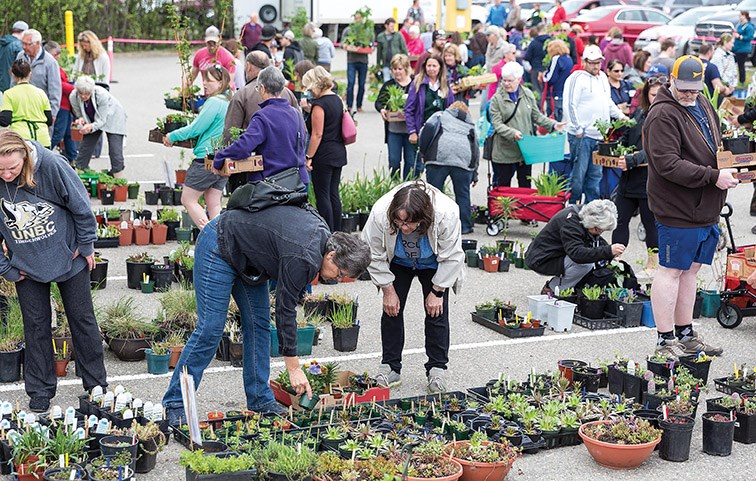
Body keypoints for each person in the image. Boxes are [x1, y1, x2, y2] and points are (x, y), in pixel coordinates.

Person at [163, 202, 371, 424]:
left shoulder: (321, 241)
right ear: (331, 255)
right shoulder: (304, 256)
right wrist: (294, 368)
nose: (337, 279)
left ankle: (260, 400)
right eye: (339, 273)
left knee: (259, 325)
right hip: (219, 244)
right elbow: (285, 310)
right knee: (211, 329)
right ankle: (175, 403)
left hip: (249, 260)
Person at [0, 130, 107, 413]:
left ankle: (96, 386)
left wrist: (85, 246)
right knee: (35, 328)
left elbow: (81, 206)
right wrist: (6, 269)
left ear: (24, 156)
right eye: (1, 170)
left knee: (82, 321)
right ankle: (40, 392)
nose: (7, 175)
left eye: (12, 168)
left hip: (69, 259)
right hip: (26, 267)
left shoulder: (51, 164)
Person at [643, 55, 737, 358]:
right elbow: (667, 164)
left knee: (691, 271)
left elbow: (714, 142)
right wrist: (713, 176)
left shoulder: (703, 102)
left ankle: (685, 334)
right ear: (671, 80)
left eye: (695, 89)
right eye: (684, 89)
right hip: (677, 207)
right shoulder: (662, 115)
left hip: (704, 205)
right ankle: (664, 340)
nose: (689, 94)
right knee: (670, 270)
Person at [362, 181, 465, 393]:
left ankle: (437, 368)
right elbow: (372, 251)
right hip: (399, 262)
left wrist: (438, 290)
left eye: (409, 223)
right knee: (391, 310)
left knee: (436, 313)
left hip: (433, 263)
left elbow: (453, 256)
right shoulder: (381, 212)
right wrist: (387, 289)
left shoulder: (446, 213)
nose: (404, 228)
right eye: (398, 222)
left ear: (424, 218)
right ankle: (390, 367)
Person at [164, 66, 231, 229]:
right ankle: (221, 240)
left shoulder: (214, 102)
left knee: (188, 199)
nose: (204, 83)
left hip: (205, 159)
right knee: (213, 203)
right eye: (204, 79)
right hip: (223, 157)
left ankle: (210, 236)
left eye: (209, 80)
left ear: (221, 83)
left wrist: (172, 136)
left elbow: (196, 128)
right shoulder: (230, 100)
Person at [223, 58, 301, 192]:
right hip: (294, 178)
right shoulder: (295, 113)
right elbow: (301, 140)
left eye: (258, 88)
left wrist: (220, 157)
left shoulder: (261, 115)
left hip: (266, 180)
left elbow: (242, 143)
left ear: (263, 89)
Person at [563, 45, 627, 204]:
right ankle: (572, 208)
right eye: (592, 62)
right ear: (584, 62)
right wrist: (577, 128)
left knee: (595, 176)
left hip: (599, 136)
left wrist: (621, 116)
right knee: (578, 177)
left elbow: (608, 101)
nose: (596, 66)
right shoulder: (576, 78)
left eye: (598, 62)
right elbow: (569, 104)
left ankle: (591, 210)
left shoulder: (603, 77)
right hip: (582, 136)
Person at [612, 75, 663, 275]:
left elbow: (655, 148)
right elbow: (628, 134)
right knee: (620, 220)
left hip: (648, 180)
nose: (655, 97)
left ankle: (652, 265)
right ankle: (616, 261)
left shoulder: (664, 116)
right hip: (629, 179)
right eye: (652, 94)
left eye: (659, 94)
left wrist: (631, 160)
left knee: (650, 224)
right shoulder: (641, 114)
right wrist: (617, 149)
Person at [489, 61, 565, 188]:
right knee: (503, 187)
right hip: (504, 151)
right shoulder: (496, 99)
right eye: (504, 80)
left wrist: (553, 125)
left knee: (525, 185)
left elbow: (537, 116)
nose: (506, 84)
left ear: (519, 79)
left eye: (510, 81)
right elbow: (497, 124)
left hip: (525, 150)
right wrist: (512, 133)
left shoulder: (527, 94)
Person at [526, 199, 624, 295]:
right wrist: (608, 250)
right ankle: (551, 289)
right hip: (541, 260)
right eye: (599, 230)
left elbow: (595, 239)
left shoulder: (585, 214)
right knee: (585, 265)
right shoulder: (570, 224)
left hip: (556, 254)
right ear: (593, 224)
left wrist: (611, 254)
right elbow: (577, 254)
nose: (600, 233)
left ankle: (570, 287)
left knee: (592, 257)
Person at [421, 101, 479, 235]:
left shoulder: (440, 116)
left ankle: (432, 226)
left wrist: (424, 153)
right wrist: (474, 173)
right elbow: (475, 149)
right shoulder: (470, 124)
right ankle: (464, 226)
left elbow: (427, 129)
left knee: (434, 194)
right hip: (463, 160)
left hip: (438, 158)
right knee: (463, 194)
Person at [302, 67, 347, 232]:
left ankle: (327, 231)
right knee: (333, 193)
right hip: (338, 151)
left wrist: (309, 156)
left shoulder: (319, 105)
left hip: (324, 154)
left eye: (308, 86)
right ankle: (338, 230)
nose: (307, 90)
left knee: (322, 195)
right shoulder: (337, 99)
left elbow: (317, 134)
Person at [405, 55, 455, 178]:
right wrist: (412, 131)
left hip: (440, 132)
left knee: (436, 167)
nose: (431, 69)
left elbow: (451, 109)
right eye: (429, 65)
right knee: (418, 166)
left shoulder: (445, 84)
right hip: (421, 130)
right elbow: (409, 109)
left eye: (434, 66)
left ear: (440, 68)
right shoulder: (418, 83)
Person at [69, 76, 127, 176]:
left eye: (87, 94)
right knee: (85, 146)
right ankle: (80, 171)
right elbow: (79, 113)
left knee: (115, 149)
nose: (83, 96)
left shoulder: (101, 95)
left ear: (92, 90)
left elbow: (102, 119)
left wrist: (91, 127)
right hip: (93, 119)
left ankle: (116, 176)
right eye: (81, 93)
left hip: (113, 117)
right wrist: (81, 119)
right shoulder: (73, 96)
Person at [376, 54, 416, 179]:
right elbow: (379, 102)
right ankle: (395, 185)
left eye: (400, 69)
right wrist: (382, 109)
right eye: (394, 69)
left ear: (406, 69)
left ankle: (407, 187)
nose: (397, 72)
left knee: (410, 161)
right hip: (394, 130)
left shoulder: (415, 84)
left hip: (411, 130)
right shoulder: (389, 85)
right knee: (394, 161)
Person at [0, 60, 52, 147]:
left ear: (13, 74)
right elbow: (49, 120)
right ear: (30, 73)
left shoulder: (9, 94)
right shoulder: (41, 93)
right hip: (42, 139)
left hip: (21, 138)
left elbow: (5, 120)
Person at [14, 29, 61, 119]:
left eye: (28, 44)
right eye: (22, 43)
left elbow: (55, 90)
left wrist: (52, 113)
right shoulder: (20, 56)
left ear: (38, 43)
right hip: (22, 109)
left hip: (41, 110)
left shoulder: (50, 62)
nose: (24, 47)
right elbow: (14, 80)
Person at [45, 41, 77, 162]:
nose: (58, 56)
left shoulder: (56, 66)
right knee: (58, 133)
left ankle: (72, 158)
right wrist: (75, 88)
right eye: (55, 54)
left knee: (69, 133)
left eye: (59, 53)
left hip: (66, 105)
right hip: (61, 105)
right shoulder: (52, 67)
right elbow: (59, 85)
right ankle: (46, 153)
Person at [342, 12, 374, 113]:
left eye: (359, 18)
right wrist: (347, 46)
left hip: (363, 60)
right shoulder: (348, 30)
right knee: (350, 83)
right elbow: (343, 44)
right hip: (351, 60)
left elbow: (371, 45)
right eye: (356, 18)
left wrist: (368, 47)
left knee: (362, 83)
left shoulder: (367, 31)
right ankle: (350, 105)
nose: (358, 20)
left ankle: (359, 105)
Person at [543, 39, 573, 121]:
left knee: (555, 118)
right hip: (566, 91)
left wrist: (544, 75)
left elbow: (551, 78)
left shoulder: (556, 59)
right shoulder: (568, 58)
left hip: (557, 92)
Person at [377, 18, 408, 82]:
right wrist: (378, 65)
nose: (393, 28)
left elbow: (404, 49)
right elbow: (379, 52)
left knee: (397, 80)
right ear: (386, 26)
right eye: (391, 26)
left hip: (397, 63)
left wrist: (406, 61)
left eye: (393, 26)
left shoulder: (398, 35)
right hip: (386, 63)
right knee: (386, 81)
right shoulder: (380, 37)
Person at [523, 24, 550, 97]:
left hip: (536, 69)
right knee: (547, 91)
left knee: (537, 91)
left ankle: (538, 107)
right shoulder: (551, 42)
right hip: (548, 69)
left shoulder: (534, 42)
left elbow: (527, 57)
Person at [0, 21, 27, 93]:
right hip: (13, 84)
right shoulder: (19, 46)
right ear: (24, 32)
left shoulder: (3, 44)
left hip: (2, 84)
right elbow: (22, 67)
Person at [734, 11, 754, 85]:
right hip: (737, 48)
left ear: (745, 16)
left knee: (741, 65)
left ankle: (742, 81)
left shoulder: (749, 26)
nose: (739, 17)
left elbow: (750, 37)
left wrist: (740, 37)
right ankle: (738, 80)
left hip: (743, 49)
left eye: (740, 15)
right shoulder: (740, 25)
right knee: (737, 65)